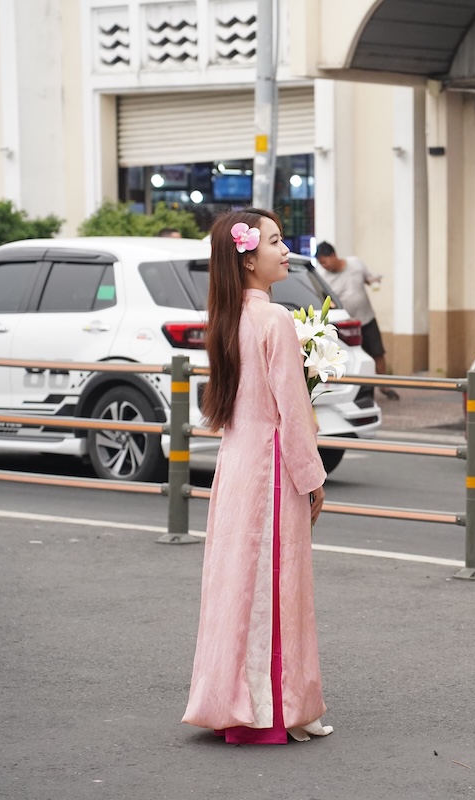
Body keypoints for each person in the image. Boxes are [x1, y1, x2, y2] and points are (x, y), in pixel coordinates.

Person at [183, 208, 332, 744]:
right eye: (274, 241)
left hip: (236, 465)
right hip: (271, 470)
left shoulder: (227, 319)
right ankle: (281, 705)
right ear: (248, 260)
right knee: (278, 585)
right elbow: (291, 413)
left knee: (234, 585)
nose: (285, 248)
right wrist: (312, 479)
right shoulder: (274, 321)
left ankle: (227, 699)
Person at [314, 241, 399, 400]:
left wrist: (374, 281)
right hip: (345, 326)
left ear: (333, 255)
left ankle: (385, 386)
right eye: (320, 263)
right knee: (349, 358)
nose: (323, 266)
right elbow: (324, 300)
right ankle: (356, 391)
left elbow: (368, 279)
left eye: (324, 261)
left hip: (367, 319)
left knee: (377, 353)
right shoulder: (323, 278)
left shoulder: (355, 264)